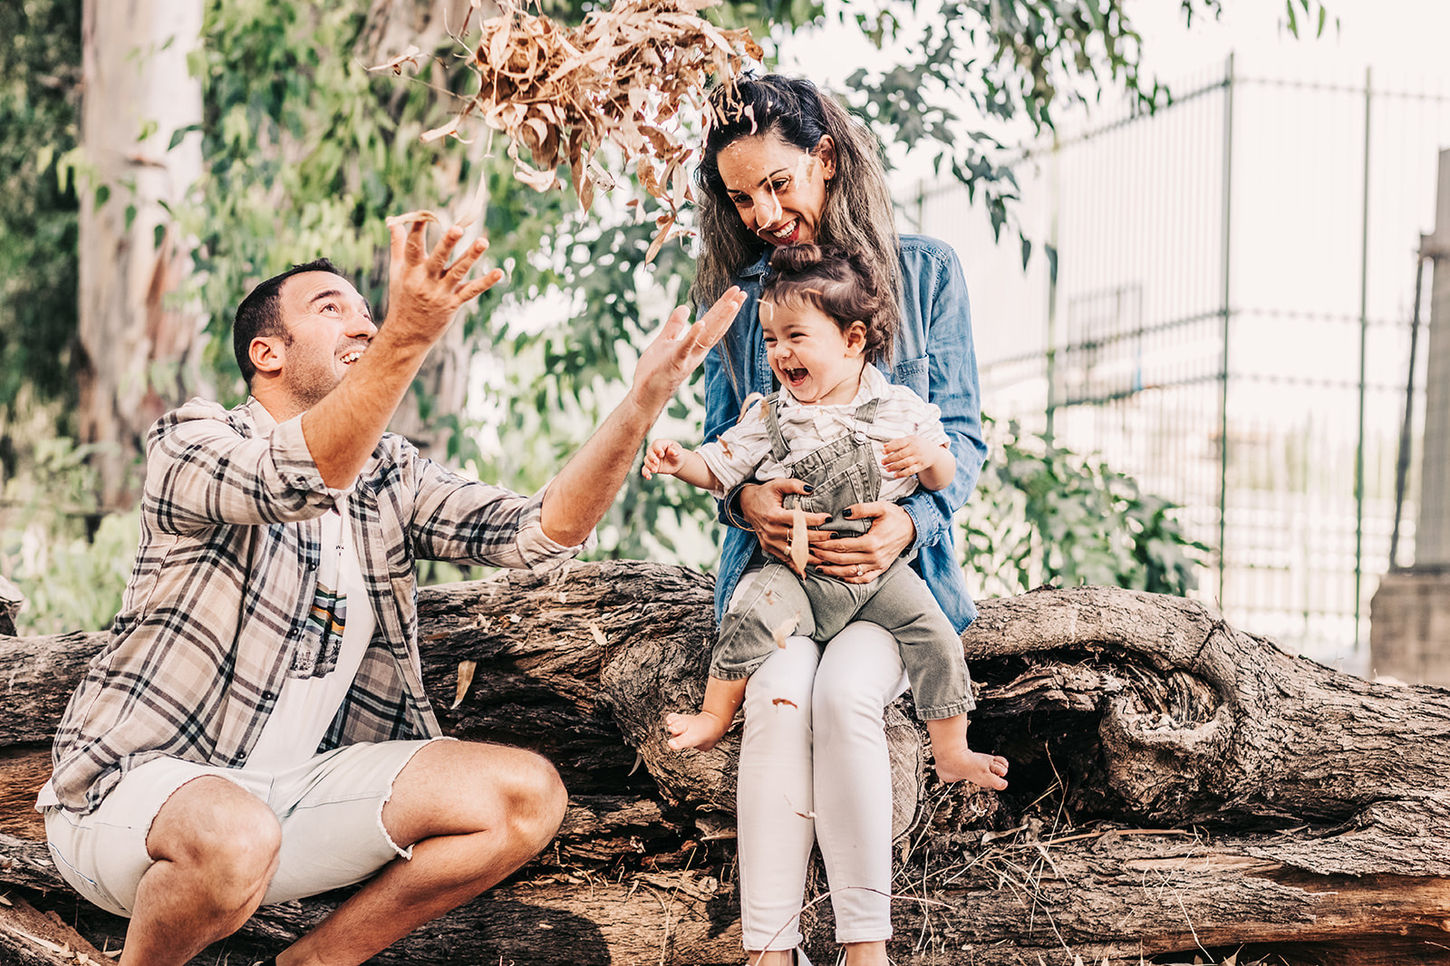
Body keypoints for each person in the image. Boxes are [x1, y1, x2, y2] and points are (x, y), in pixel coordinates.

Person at [37, 215, 746, 966]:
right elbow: (294, 478)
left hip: (290, 796)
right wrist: (410, 332)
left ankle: (315, 962)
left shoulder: (390, 475)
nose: (364, 324)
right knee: (237, 834)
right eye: (331, 308)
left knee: (524, 797)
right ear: (266, 353)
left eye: (368, 312)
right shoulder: (192, 439)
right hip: (127, 794)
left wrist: (641, 403)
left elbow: (541, 531)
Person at [692, 74, 1008, 966]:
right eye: (741, 197)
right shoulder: (739, 302)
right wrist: (746, 503)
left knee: (842, 697)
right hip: (782, 579)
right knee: (779, 698)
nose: (763, 213)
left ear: (825, 159)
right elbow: (723, 449)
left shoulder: (926, 273)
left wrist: (912, 524)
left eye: (778, 183)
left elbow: (962, 439)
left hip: (890, 583)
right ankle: (769, 952)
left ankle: (867, 951)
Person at [644, 243, 999, 790]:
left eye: (795, 337)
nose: (780, 354)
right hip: (796, 570)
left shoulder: (900, 408)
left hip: (876, 572)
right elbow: (721, 466)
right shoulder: (769, 416)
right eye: (770, 340)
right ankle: (714, 715)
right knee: (746, 616)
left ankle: (951, 751)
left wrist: (929, 457)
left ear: (853, 340)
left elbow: (945, 475)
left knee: (934, 636)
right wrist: (681, 462)